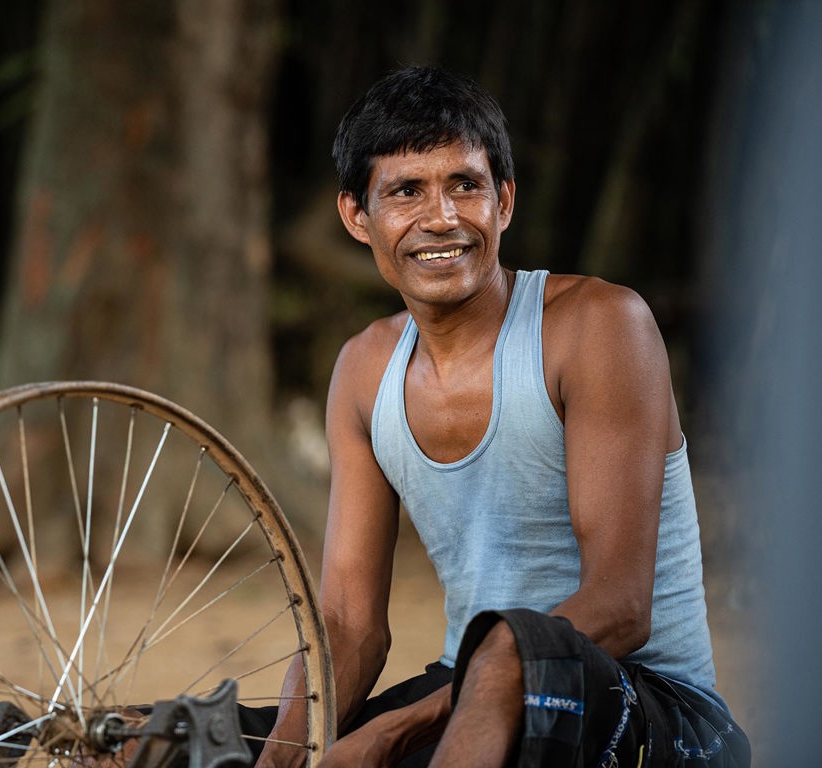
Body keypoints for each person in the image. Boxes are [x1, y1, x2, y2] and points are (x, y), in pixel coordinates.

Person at [252, 66, 750, 766]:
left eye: (465, 185)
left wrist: (391, 731)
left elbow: (618, 607)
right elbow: (347, 623)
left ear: (505, 201)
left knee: (501, 659)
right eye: (406, 192)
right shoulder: (365, 370)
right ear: (357, 218)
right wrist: (283, 752)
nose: (443, 217)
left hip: (657, 713)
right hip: (474, 698)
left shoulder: (599, 327)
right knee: (173, 736)